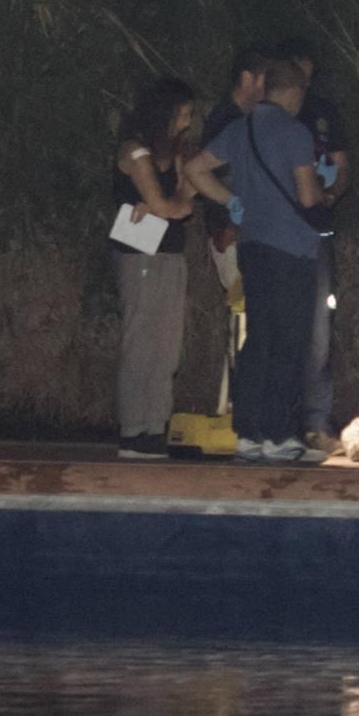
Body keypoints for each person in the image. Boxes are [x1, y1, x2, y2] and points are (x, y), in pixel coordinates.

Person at [184, 57, 328, 463]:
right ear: (294, 92)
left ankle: (248, 433)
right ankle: (280, 435)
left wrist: (231, 200)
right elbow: (306, 195)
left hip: (253, 247)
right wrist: (323, 192)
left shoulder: (239, 127)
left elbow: (195, 169)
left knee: (258, 337)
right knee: (289, 340)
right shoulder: (294, 131)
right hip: (291, 249)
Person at [111, 78, 199, 459]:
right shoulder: (134, 150)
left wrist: (170, 202)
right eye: (181, 114)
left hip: (170, 251)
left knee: (167, 345)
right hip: (138, 253)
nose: (185, 122)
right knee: (140, 341)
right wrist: (169, 202)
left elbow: (184, 203)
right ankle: (132, 429)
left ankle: (154, 427)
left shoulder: (175, 153)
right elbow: (166, 205)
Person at [278, 36, 351, 452]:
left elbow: (343, 168)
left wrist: (332, 192)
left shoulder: (323, 112)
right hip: (281, 238)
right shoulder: (271, 120)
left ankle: (317, 422)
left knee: (320, 332)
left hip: (319, 232)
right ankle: (283, 423)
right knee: (285, 330)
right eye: (295, 77)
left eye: (307, 77)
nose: (302, 86)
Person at [201, 47, 273, 295]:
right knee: (243, 311)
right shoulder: (225, 121)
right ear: (246, 79)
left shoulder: (250, 119)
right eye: (265, 79)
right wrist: (229, 226)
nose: (268, 88)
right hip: (231, 234)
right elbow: (222, 178)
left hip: (246, 231)